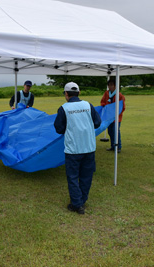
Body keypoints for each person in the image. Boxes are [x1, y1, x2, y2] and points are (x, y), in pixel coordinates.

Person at [54, 82, 101, 214]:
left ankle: (76, 204)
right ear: (79, 93)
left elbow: (58, 128)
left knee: (73, 177)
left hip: (73, 150)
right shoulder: (88, 105)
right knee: (86, 176)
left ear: (66, 94)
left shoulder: (63, 108)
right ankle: (82, 200)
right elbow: (97, 123)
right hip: (89, 147)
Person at [100, 79, 126, 153]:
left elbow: (122, 107)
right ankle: (112, 146)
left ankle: (118, 147)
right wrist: (104, 106)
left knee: (116, 132)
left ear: (115, 86)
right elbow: (102, 102)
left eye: (112, 85)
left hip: (116, 118)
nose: (110, 86)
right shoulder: (106, 93)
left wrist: (116, 114)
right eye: (109, 85)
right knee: (110, 132)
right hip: (108, 117)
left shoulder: (120, 95)